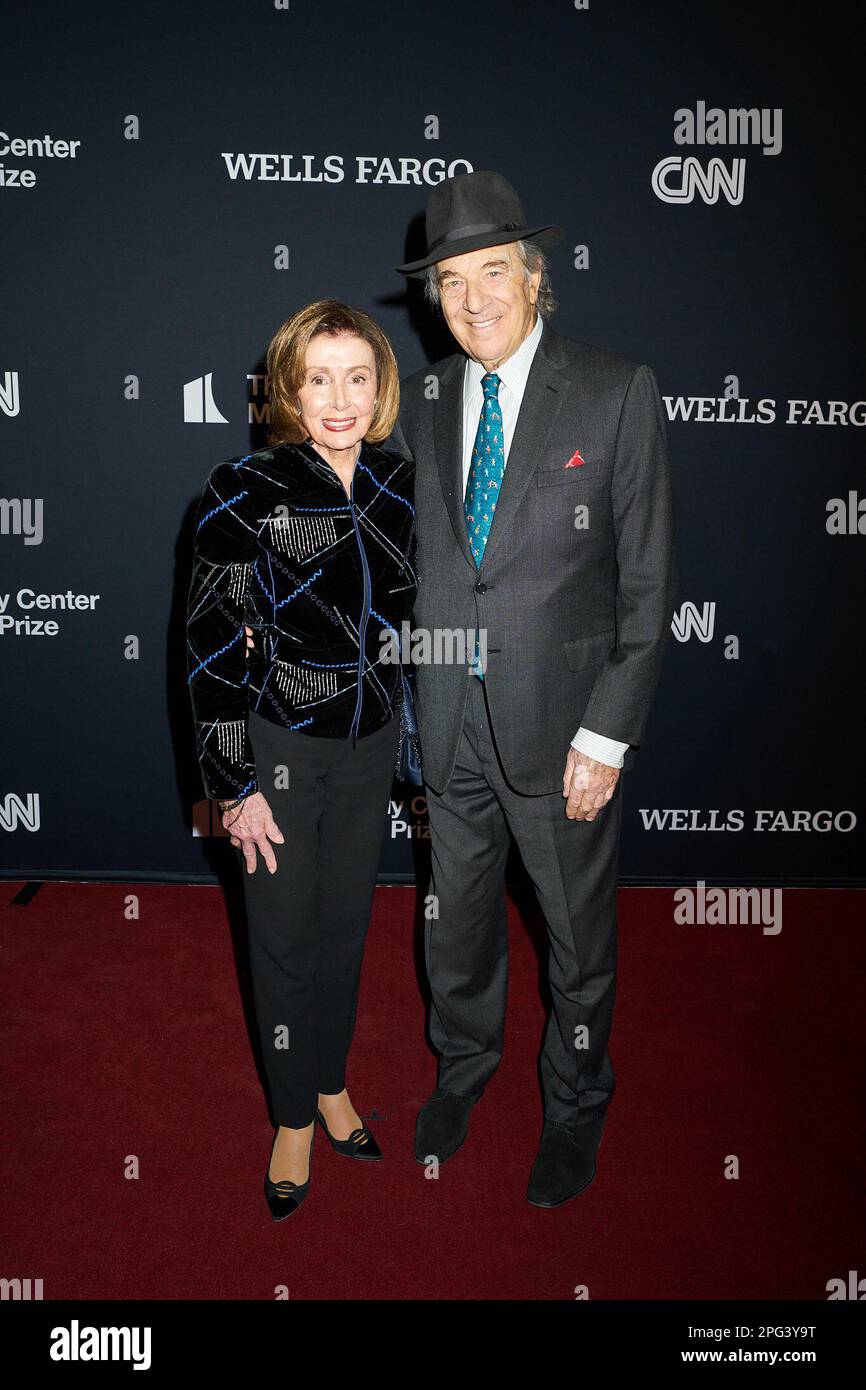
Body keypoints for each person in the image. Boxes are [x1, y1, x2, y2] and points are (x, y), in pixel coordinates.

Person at [389, 170, 678, 1206]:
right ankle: (463, 1069)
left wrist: (605, 735)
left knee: (575, 940)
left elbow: (646, 584)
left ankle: (574, 1105)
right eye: (451, 281)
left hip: (562, 737)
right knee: (452, 924)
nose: (472, 299)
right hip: (448, 725)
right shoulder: (414, 403)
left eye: (492, 273)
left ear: (535, 276)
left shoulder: (613, 388)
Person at [186, 299, 416, 1220]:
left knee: (344, 930)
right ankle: (291, 1116)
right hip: (277, 751)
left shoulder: (398, 486)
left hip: (371, 750)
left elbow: (413, 623)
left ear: (381, 387)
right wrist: (233, 786)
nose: (339, 398)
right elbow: (207, 647)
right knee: (282, 940)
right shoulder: (242, 489)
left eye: (357, 376)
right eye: (318, 377)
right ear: (286, 387)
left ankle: (329, 1081)